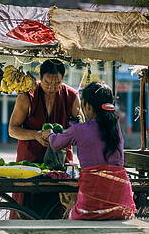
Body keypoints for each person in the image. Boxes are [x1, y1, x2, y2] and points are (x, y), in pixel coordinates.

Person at [42, 81, 136, 220]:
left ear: (88, 106)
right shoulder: (115, 127)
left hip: (91, 207)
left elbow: (56, 143)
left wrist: (49, 134)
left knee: (70, 216)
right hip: (122, 205)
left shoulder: (80, 129)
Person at [8, 58, 83, 218]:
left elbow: (80, 126)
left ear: (62, 80)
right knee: (27, 208)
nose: (52, 87)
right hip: (30, 160)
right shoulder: (27, 96)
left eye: (57, 83)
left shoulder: (71, 96)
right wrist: (35, 135)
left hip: (60, 162)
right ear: (40, 78)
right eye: (48, 82)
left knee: (58, 209)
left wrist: (64, 135)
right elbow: (12, 130)